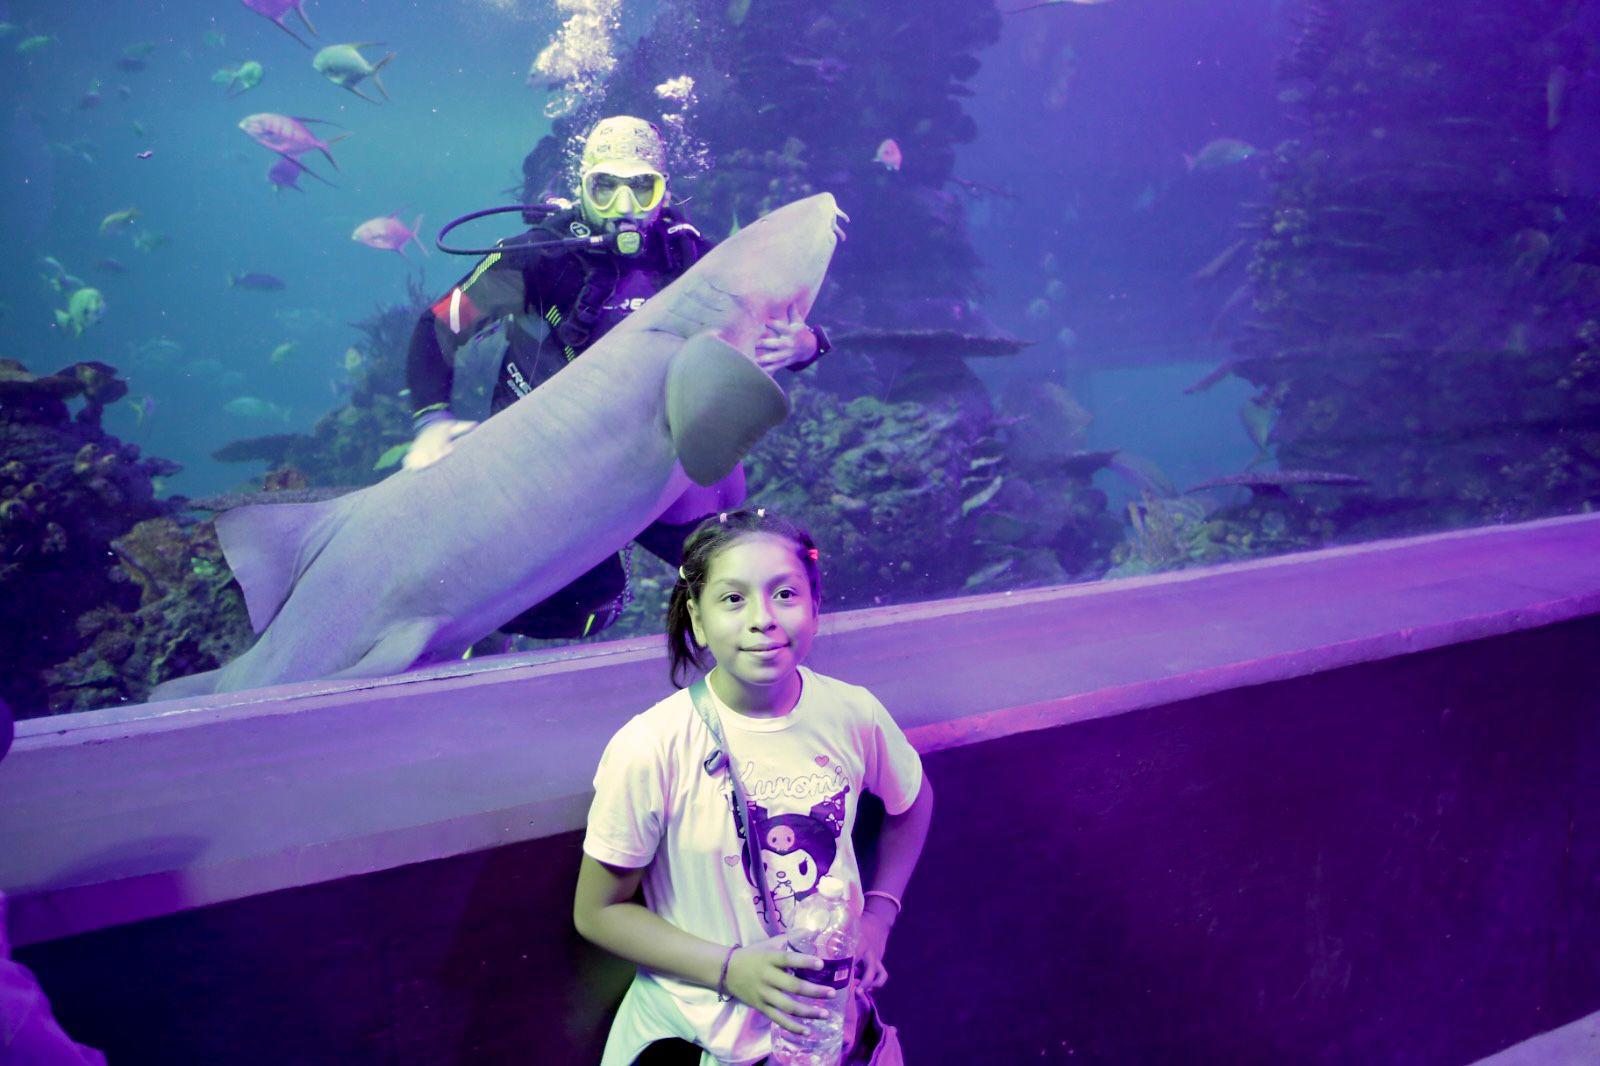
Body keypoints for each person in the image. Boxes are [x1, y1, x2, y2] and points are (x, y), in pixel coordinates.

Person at [403, 116, 833, 641]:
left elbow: (775, 322)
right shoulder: (539, 258)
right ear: (580, 187)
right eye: (605, 187)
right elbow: (438, 326)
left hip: (655, 462)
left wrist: (806, 345)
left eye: (641, 186)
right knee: (577, 614)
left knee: (737, 565)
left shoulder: (689, 256)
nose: (624, 207)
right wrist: (431, 420)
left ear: (664, 191)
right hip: (543, 469)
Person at [573, 509, 935, 1065]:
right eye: (732, 599)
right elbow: (598, 911)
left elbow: (913, 803)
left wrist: (878, 917)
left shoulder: (852, 713)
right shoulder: (650, 745)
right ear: (695, 616)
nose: (763, 619)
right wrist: (730, 969)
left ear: (815, 604)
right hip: (699, 1039)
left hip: (823, 1038)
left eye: (785, 594)